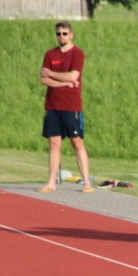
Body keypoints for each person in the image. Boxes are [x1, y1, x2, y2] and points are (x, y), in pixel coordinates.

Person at [37, 21, 93, 193]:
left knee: (76, 141)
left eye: (64, 33)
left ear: (71, 35)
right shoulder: (50, 54)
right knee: (54, 143)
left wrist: (53, 74)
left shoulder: (77, 53)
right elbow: (44, 79)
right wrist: (63, 83)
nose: (61, 36)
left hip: (71, 105)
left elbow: (73, 76)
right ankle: (51, 182)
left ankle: (86, 182)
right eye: (58, 34)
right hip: (53, 105)